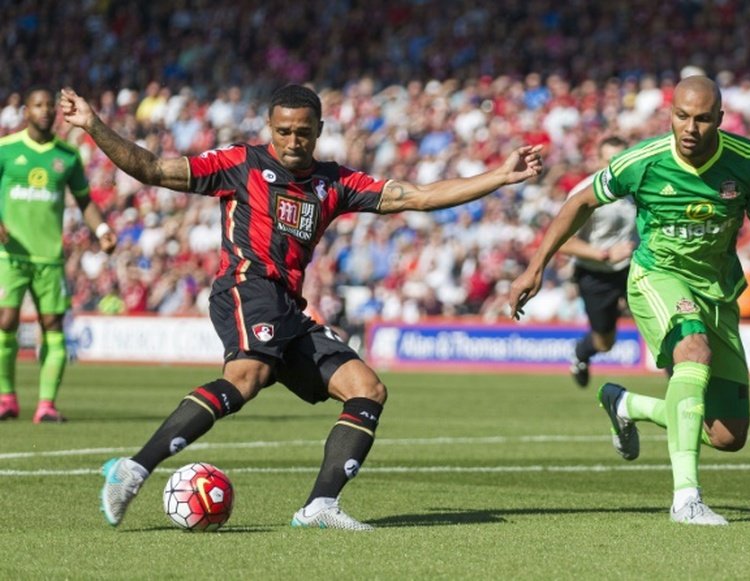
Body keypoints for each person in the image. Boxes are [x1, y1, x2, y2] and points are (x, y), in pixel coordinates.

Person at [60, 84, 542, 530]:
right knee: (248, 377)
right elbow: (153, 169)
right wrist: (94, 124)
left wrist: (499, 175)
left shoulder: (334, 183)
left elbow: (416, 196)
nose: (293, 140)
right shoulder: (238, 164)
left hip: (289, 306)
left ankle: (320, 506)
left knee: (367, 390)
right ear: (271, 127)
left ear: (319, 131)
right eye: (284, 130)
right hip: (247, 287)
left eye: (303, 132)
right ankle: (134, 469)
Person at [509, 76, 750, 526]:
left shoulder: (749, 163)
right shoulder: (643, 161)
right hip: (657, 276)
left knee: (728, 436)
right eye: (681, 116)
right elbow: (579, 202)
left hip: (718, 292)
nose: (690, 128)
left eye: (703, 119)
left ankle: (627, 405)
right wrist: (537, 266)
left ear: (720, 120)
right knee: (693, 351)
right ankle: (687, 499)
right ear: (670, 114)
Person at [0, 87, 117, 423]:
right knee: (5, 321)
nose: (46, 110)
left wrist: (102, 231)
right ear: (26, 111)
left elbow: (84, 201)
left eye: (50, 105)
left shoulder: (66, 155)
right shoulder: (6, 150)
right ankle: (6, 398)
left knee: (52, 326)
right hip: (10, 255)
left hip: (49, 257)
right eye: (38, 105)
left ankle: (46, 405)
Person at [559, 136, 635, 387]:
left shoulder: (639, 189)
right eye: (610, 161)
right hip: (595, 272)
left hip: (633, 268)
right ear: (599, 162)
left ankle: (682, 394)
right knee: (605, 342)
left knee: (661, 325)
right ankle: (582, 352)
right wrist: (604, 254)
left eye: (621, 160)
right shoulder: (585, 193)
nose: (617, 167)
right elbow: (564, 241)